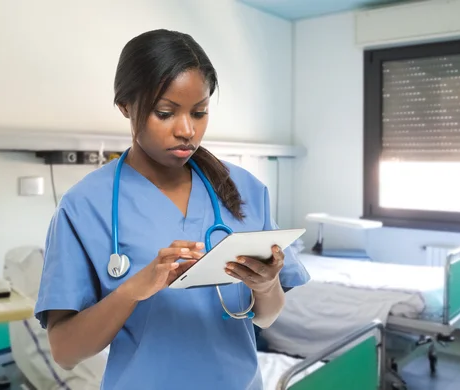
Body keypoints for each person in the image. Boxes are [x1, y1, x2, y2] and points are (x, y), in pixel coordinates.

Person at [34, 29, 310, 390]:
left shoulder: (243, 189)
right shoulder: (84, 206)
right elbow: (65, 352)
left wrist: (267, 283)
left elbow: (266, 318)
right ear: (125, 106)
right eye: (165, 113)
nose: (186, 131)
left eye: (199, 113)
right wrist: (133, 290)